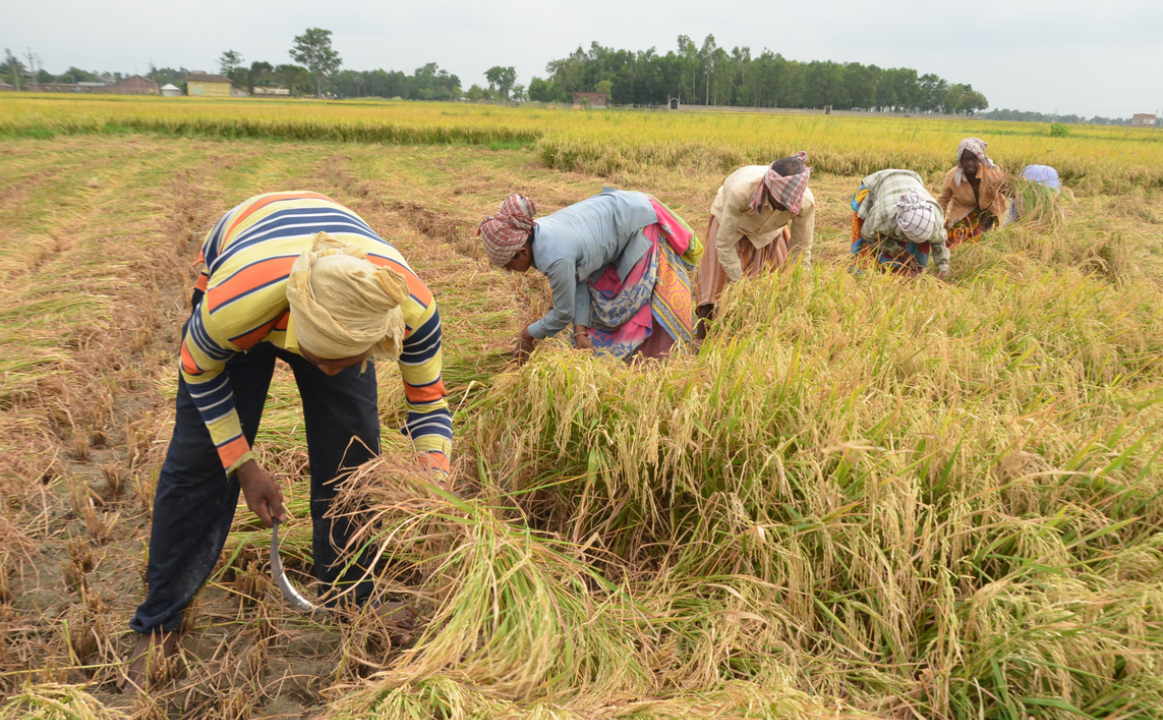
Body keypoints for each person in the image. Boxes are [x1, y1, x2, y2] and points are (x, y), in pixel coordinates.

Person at [122, 191, 451, 692]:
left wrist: (435, 481)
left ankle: (351, 598)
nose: (330, 373)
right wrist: (243, 464)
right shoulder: (232, 311)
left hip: (335, 281)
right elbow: (199, 372)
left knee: (354, 461)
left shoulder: (407, 308)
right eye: (321, 359)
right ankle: (160, 620)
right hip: (250, 266)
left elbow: (428, 403)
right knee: (199, 464)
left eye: (346, 360)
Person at [478, 188, 702, 363]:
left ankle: (660, 360)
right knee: (603, 305)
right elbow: (578, 276)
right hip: (622, 209)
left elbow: (563, 314)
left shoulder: (554, 257)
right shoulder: (537, 232)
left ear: (522, 252)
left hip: (639, 222)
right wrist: (580, 330)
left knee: (633, 302)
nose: (508, 271)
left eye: (508, 265)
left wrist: (527, 335)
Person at [696, 152, 816, 339]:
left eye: (791, 204)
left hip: (771, 231)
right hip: (731, 226)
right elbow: (724, 244)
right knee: (716, 285)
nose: (787, 207)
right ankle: (701, 342)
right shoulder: (741, 192)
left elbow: (800, 249)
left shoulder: (805, 202)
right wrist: (742, 284)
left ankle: (756, 336)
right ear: (768, 190)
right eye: (782, 202)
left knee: (774, 286)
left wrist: (798, 283)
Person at [850, 169, 949, 278]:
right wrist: (899, 252)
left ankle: (913, 271)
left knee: (920, 245)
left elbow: (939, 240)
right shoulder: (884, 216)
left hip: (911, 178)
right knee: (867, 243)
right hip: (879, 182)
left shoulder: (935, 217)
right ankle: (862, 272)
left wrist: (943, 268)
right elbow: (868, 234)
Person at [937, 137, 1008, 248]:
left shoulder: (992, 173)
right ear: (960, 160)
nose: (970, 163)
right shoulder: (952, 176)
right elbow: (943, 200)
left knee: (982, 245)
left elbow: (1007, 190)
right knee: (951, 245)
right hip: (962, 213)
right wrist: (938, 222)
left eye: (974, 160)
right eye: (966, 160)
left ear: (979, 159)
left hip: (987, 214)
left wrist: (1016, 192)